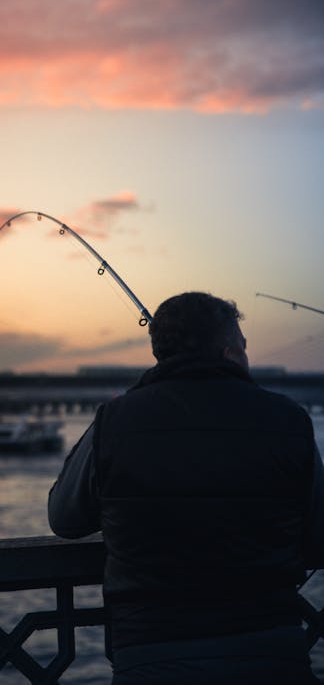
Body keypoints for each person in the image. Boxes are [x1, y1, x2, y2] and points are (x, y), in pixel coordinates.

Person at [48, 291, 324, 684]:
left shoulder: (115, 419)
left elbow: (64, 519)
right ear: (230, 352)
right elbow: (318, 538)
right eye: (244, 347)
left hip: (151, 654)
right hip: (271, 652)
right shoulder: (289, 420)